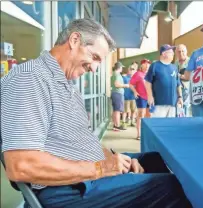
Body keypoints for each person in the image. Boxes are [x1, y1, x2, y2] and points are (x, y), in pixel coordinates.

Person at [1, 19, 192, 208]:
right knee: (174, 187)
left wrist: (109, 157)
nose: (94, 68)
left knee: (154, 159)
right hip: (65, 190)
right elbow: (22, 165)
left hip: (85, 172)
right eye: (94, 57)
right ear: (74, 40)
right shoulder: (29, 78)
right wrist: (101, 168)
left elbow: (83, 138)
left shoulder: (65, 83)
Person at [145, 44, 183, 118]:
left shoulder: (174, 67)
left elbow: (178, 84)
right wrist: (150, 96)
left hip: (172, 104)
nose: (173, 54)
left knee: (170, 126)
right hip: (158, 103)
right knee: (158, 125)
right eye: (171, 52)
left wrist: (180, 97)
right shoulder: (155, 65)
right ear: (164, 53)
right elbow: (147, 82)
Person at [130, 59, 151, 140]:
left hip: (149, 97)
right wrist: (135, 92)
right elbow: (131, 84)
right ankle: (139, 134)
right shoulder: (138, 74)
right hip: (141, 97)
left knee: (149, 115)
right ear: (141, 65)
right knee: (141, 115)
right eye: (145, 65)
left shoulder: (150, 74)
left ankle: (147, 133)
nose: (146, 66)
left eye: (148, 65)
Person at [111, 61, 129, 131]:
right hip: (118, 93)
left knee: (115, 110)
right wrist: (126, 85)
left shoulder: (114, 74)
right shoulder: (117, 75)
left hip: (115, 93)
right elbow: (116, 84)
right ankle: (117, 125)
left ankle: (115, 125)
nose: (122, 69)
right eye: (121, 67)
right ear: (119, 67)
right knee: (117, 111)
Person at [175, 44, 191, 116]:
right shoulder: (176, 62)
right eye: (179, 51)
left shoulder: (190, 62)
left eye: (183, 51)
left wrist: (179, 75)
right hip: (178, 89)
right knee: (178, 109)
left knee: (186, 108)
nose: (181, 53)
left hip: (187, 89)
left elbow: (190, 77)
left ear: (186, 51)